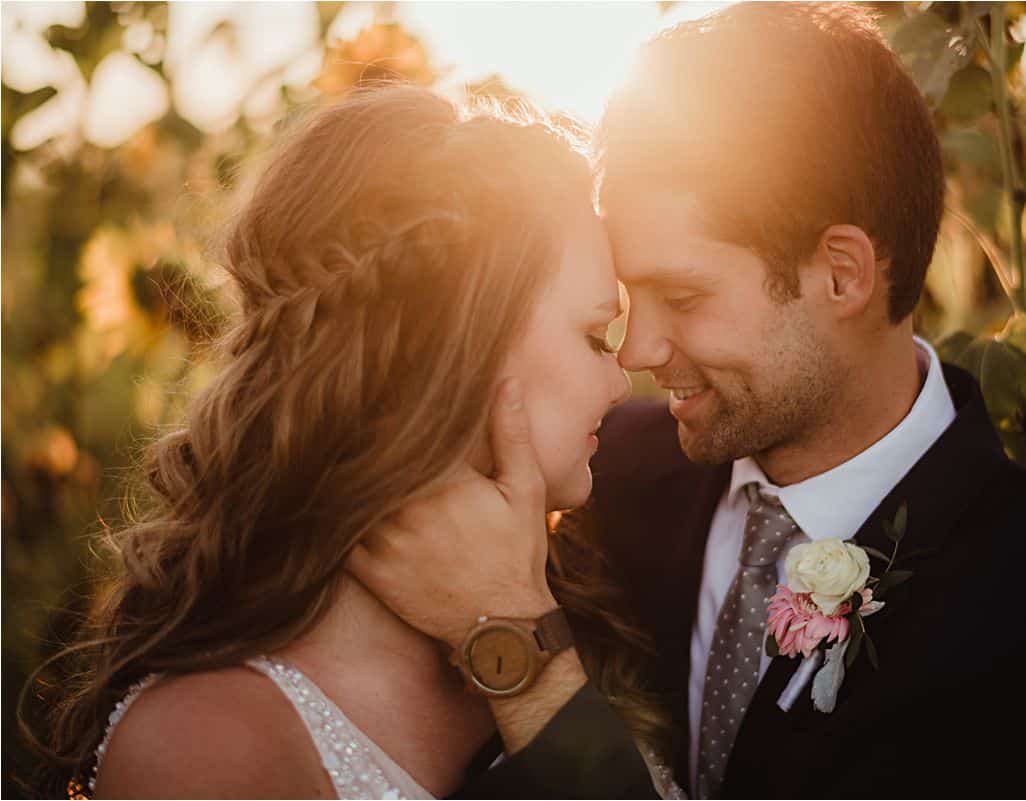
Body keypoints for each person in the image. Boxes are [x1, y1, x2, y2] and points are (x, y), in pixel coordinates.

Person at [350, 4, 1026, 798]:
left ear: (842, 274)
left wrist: (518, 646)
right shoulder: (601, 475)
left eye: (683, 294)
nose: (636, 351)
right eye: (631, 297)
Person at [25, 85, 665, 799]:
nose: (620, 382)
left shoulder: (584, 605)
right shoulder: (209, 748)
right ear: (454, 347)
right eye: (593, 335)